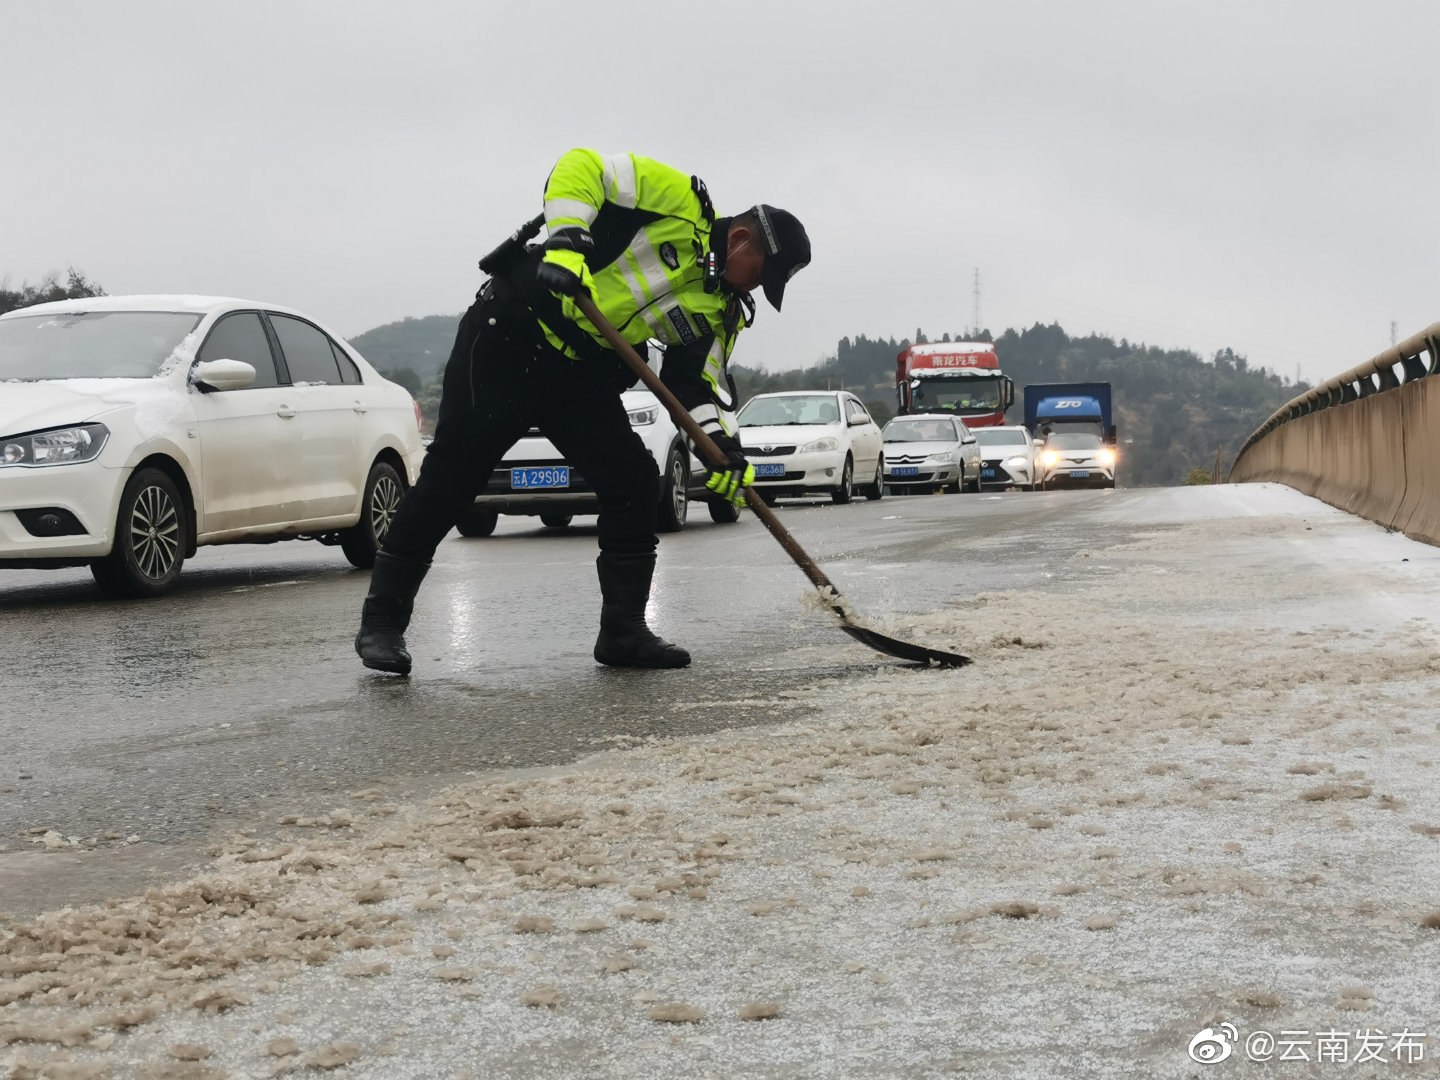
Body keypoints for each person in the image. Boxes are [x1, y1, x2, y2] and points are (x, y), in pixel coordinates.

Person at [354, 149, 811, 676]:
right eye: (762, 273)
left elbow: (694, 386)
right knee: (452, 478)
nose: (757, 286)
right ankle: (382, 624)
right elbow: (580, 167)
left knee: (635, 480)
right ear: (738, 240)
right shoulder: (679, 200)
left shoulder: (720, 310)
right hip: (508, 335)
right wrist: (568, 241)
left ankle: (623, 632)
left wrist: (725, 453)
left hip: (577, 372)